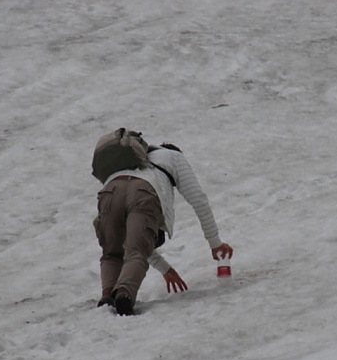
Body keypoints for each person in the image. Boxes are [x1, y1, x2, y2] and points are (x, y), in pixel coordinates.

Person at [92, 132, 233, 316]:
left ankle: (107, 297)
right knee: (137, 252)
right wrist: (215, 244)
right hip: (143, 192)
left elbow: (130, 238)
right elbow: (198, 200)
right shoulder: (173, 156)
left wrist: (165, 269)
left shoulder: (133, 159)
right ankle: (124, 295)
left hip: (110, 191)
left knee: (112, 252)